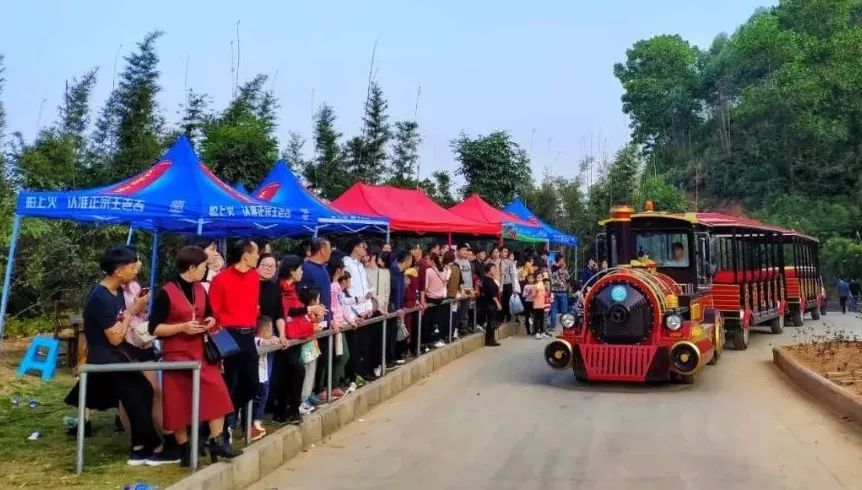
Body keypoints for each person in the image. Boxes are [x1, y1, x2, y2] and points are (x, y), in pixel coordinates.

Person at [72, 247, 167, 465]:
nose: (135, 270)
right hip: (105, 356)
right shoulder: (100, 298)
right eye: (132, 267)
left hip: (119, 354)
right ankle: (146, 445)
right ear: (118, 271)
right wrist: (132, 311)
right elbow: (114, 337)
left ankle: (140, 446)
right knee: (139, 391)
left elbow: (119, 328)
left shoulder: (116, 293)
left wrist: (131, 312)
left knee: (141, 392)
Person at [150, 245, 240, 465]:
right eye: (202, 267)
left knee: (218, 393)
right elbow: (154, 328)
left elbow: (209, 313)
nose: (205, 271)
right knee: (178, 403)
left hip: (201, 352)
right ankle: (185, 449)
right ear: (191, 267)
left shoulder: (200, 289)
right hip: (177, 354)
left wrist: (211, 320)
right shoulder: (167, 292)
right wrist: (182, 327)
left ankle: (217, 440)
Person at [208, 239, 261, 442]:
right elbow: (214, 312)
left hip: (248, 335)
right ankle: (220, 431)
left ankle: (227, 419)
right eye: (255, 253)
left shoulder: (254, 277)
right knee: (229, 383)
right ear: (246, 255)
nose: (258, 257)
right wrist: (219, 341)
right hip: (228, 333)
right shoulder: (221, 279)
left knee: (252, 386)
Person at [274, 255, 322, 420]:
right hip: (283, 336)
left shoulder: (292, 288)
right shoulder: (280, 288)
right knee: (294, 370)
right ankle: (288, 409)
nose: (302, 272)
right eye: (300, 269)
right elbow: (287, 311)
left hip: (293, 336)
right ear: (292, 271)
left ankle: (289, 409)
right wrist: (309, 309)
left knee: (292, 372)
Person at [300, 238, 334, 396]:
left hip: (325, 320)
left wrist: (331, 317)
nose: (330, 253)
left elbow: (327, 297)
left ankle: (319, 388)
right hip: (312, 322)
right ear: (321, 250)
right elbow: (304, 296)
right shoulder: (307, 269)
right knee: (311, 359)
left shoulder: (324, 268)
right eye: (328, 249)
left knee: (324, 356)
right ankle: (309, 392)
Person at [255, 253, 284, 417]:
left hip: (270, 335)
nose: (269, 268)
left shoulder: (275, 287)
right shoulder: (250, 284)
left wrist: (282, 335)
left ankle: (257, 418)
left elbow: (280, 314)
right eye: (265, 265)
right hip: (252, 335)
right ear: (257, 265)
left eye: (272, 266)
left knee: (265, 378)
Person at [252, 316, 280, 440]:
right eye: (271, 329)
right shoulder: (256, 340)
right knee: (257, 399)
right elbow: (263, 342)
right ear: (266, 329)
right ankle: (253, 423)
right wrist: (271, 340)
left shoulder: (266, 338)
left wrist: (274, 338)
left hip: (264, 375)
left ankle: (258, 421)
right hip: (256, 376)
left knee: (264, 396)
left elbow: (274, 339)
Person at [366, 249, 391, 366]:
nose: (365, 258)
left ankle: (379, 364)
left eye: (368, 256)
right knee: (369, 341)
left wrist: (385, 309)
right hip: (368, 311)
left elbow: (387, 292)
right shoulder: (363, 271)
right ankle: (372, 365)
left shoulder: (385, 272)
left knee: (380, 340)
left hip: (381, 311)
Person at [422, 252, 450, 350]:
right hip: (441, 299)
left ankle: (427, 343)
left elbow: (424, 287)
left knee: (428, 323)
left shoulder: (428, 271)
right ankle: (436, 340)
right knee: (437, 321)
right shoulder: (443, 270)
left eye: (427, 259)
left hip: (430, 299)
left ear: (432, 261)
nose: (425, 261)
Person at [388, 250, 411, 364]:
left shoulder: (401, 273)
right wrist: (397, 307)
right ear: (406, 260)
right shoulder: (394, 271)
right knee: (392, 333)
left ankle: (396, 354)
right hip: (392, 307)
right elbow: (395, 291)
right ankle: (391, 357)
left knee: (398, 332)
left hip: (399, 307)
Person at [478, 263, 502, 347]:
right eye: (493, 269)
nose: (494, 270)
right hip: (490, 304)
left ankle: (491, 339)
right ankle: (490, 340)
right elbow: (492, 294)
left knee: (491, 322)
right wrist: (498, 304)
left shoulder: (490, 279)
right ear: (488, 270)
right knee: (491, 322)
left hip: (490, 303)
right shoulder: (487, 280)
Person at [454, 244, 474, 335]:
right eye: (463, 250)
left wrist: (471, 289)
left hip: (468, 289)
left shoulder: (467, 262)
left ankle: (464, 328)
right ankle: (456, 329)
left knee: (465, 311)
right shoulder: (455, 262)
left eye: (466, 250)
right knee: (457, 310)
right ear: (458, 251)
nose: (465, 252)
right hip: (458, 290)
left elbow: (469, 276)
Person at [549, 255, 571, 330]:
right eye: (563, 260)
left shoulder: (552, 268)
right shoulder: (563, 270)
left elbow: (551, 279)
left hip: (554, 291)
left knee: (554, 309)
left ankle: (552, 326)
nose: (563, 261)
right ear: (560, 259)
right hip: (562, 292)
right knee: (564, 310)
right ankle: (565, 326)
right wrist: (566, 287)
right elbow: (568, 279)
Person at [500, 248, 521, 322]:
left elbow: (512, 275)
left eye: (506, 252)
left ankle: (508, 316)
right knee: (502, 301)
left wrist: (514, 287)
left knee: (508, 301)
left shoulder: (509, 263)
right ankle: (502, 317)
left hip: (508, 284)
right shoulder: (497, 261)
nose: (505, 253)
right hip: (499, 284)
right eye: (504, 251)